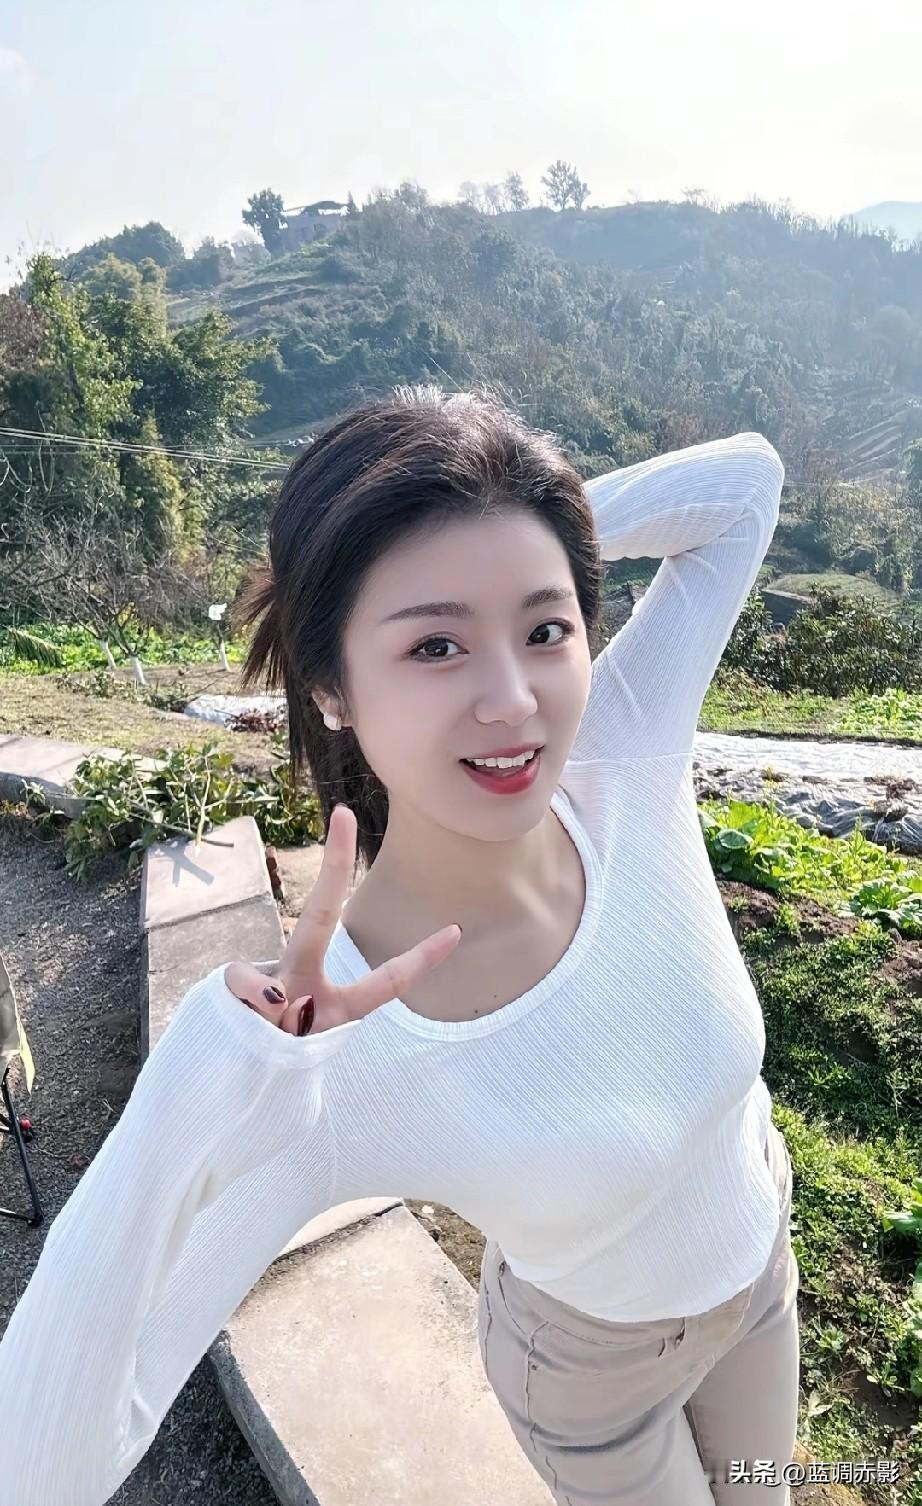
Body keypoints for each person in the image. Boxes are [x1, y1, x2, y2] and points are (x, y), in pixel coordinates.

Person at [0, 384, 797, 1506]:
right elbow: (41, 1464)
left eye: (545, 629)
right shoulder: (337, 1052)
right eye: (435, 645)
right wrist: (208, 1077)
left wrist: (523, 526)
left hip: (763, 1273)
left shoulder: (623, 755)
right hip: (593, 1380)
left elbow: (743, 485)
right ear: (331, 684)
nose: (512, 700)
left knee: (769, 1491)